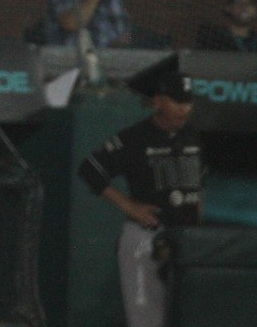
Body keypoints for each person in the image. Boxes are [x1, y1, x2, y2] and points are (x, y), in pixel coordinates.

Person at [78, 56, 205, 327]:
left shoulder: (194, 136)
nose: (182, 109)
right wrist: (128, 206)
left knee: (185, 315)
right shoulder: (136, 137)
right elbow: (90, 168)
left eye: (187, 102)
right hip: (147, 237)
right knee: (146, 317)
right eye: (175, 101)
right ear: (158, 101)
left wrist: (198, 227)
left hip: (186, 237)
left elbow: (199, 184)